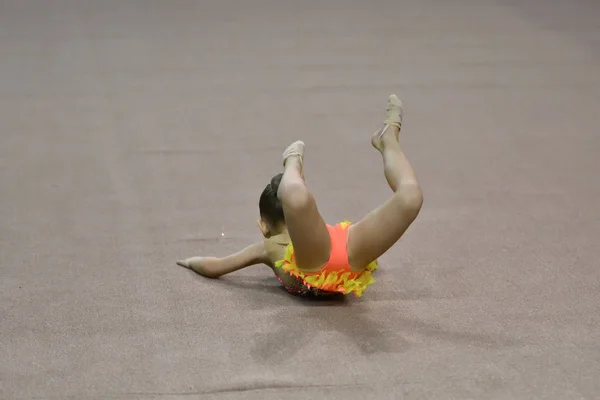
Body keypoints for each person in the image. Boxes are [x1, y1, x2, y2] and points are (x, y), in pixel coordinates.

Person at [176, 94, 423, 297]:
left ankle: (293, 161)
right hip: (350, 255)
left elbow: (216, 266)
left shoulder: (267, 246)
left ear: (263, 226)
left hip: (332, 252)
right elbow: (215, 266)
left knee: (410, 198)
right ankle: (388, 141)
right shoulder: (270, 247)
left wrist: (191, 261)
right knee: (410, 197)